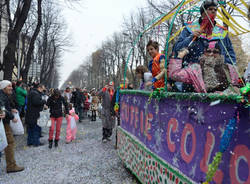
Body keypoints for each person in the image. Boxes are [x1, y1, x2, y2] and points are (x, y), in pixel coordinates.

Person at [173, 0, 236, 65]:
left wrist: (228, 69)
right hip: (193, 71)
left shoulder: (221, 32)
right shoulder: (189, 29)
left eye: (215, 9)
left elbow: (230, 53)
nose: (213, 11)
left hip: (217, 72)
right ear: (203, 12)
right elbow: (177, 49)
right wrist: (191, 37)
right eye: (210, 9)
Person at [168, 41, 239, 94]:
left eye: (215, 52)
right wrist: (179, 58)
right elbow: (174, 75)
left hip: (225, 107)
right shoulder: (195, 69)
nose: (211, 54)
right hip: (203, 108)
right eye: (208, 51)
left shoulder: (229, 69)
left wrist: (224, 94)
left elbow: (235, 89)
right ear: (204, 53)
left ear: (220, 54)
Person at [0, 80, 24, 173]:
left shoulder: (4, 94)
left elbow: (5, 108)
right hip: (4, 123)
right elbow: (2, 109)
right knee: (9, 143)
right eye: (9, 86)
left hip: (4, 122)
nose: (11, 88)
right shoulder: (1, 95)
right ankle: (11, 166)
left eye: (11, 86)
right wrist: (11, 116)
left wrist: (11, 109)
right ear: (3, 87)